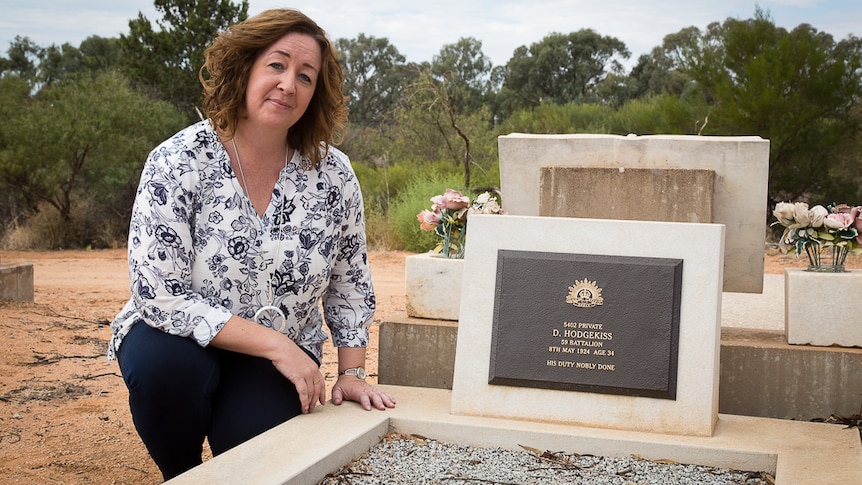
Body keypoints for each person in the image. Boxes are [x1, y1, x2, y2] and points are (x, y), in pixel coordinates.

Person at [107, 9, 395, 480]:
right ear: (245, 69)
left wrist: (352, 373)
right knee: (167, 368)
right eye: (277, 65)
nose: (289, 84)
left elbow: (349, 280)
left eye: (306, 76)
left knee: (259, 454)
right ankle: (179, 474)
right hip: (176, 340)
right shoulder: (178, 160)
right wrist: (277, 345)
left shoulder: (334, 174)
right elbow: (157, 294)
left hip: (271, 359)